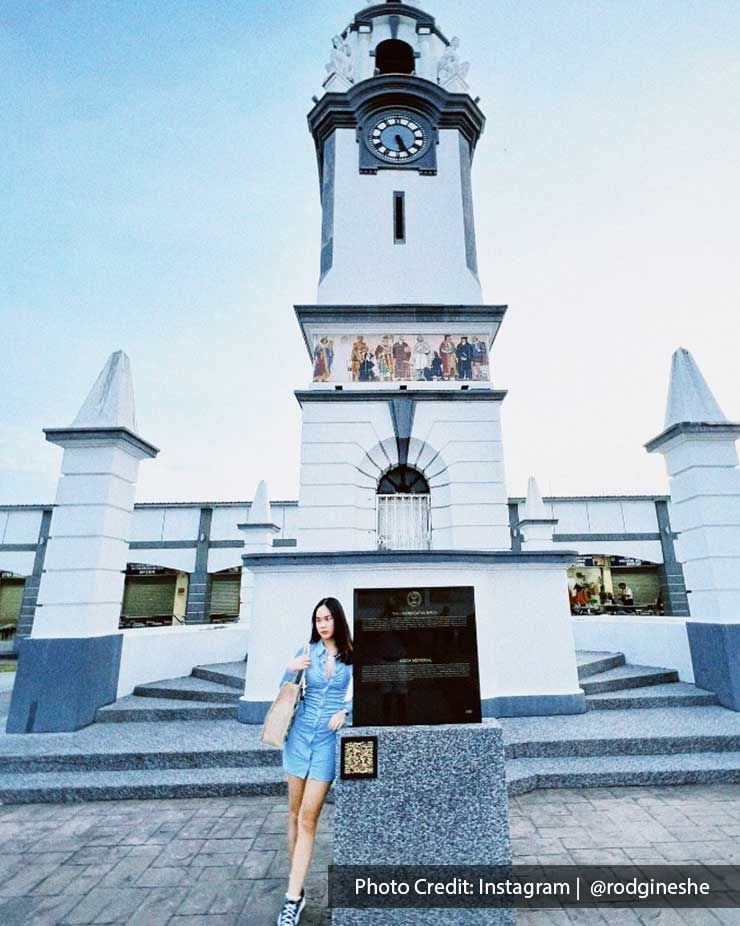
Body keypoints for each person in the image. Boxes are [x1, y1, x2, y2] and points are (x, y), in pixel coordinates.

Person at [277, 598, 353, 926]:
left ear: (338, 620)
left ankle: (291, 899)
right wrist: (289, 670)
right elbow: (284, 693)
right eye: (318, 619)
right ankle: (298, 887)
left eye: (328, 618)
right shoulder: (307, 650)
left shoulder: (353, 654)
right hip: (298, 738)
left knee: (309, 818)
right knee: (294, 816)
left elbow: (370, 691)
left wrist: (346, 711)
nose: (323, 624)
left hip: (326, 743)